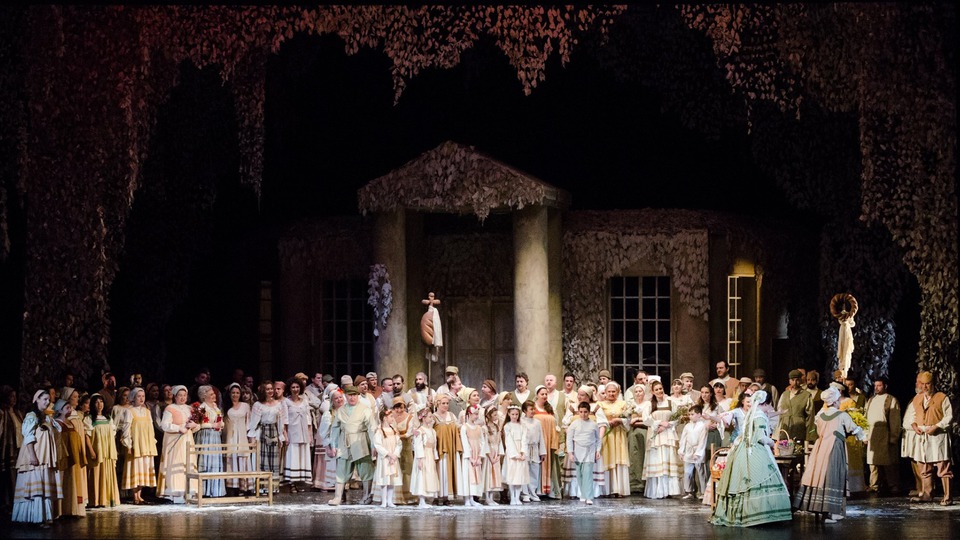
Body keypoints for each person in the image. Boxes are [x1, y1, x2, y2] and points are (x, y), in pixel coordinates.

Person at [711, 391, 793, 527]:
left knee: (743, 481)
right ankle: (761, 513)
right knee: (760, 477)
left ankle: (743, 512)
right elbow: (760, 437)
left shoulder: (750, 414)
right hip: (756, 450)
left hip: (743, 450)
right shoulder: (759, 415)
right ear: (766, 404)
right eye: (769, 405)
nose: (770, 408)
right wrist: (773, 443)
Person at [794, 387, 868, 523]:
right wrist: (863, 438)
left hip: (821, 448)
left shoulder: (820, 415)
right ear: (834, 402)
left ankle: (820, 508)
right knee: (834, 476)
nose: (840, 402)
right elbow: (854, 428)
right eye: (838, 400)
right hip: (834, 447)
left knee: (821, 475)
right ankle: (831, 513)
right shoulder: (841, 415)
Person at [12, 390, 62, 526]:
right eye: (44, 399)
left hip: (44, 457)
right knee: (36, 486)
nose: (47, 402)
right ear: (37, 400)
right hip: (36, 456)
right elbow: (28, 437)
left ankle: (43, 517)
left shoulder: (45, 417)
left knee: (43, 486)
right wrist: (32, 456)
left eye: (48, 399)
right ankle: (34, 517)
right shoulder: (31, 416)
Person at [907, 371, 953, 506]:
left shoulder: (942, 397)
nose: (925, 387)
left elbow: (949, 417)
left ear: (933, 384)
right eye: (923, 384)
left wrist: (937, 426)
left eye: (928, 384)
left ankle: (947, 496)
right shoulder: (917, 398)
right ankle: (927, 494)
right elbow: (912, 416)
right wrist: (914, 426)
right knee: (924, 466)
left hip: (938, 436)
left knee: (943, 467)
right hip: (923, 435)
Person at [327, 385, 377, 506]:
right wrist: (333, 445)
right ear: (346, 396)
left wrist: (373, 445)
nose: (352, 398)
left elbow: (372, 428)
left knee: (365, 469)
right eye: (349, 395)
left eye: (354, 395)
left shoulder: (365, 409)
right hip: (344, 441)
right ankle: (337, 497)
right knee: (341, 469)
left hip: (361, 441)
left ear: (358, 396)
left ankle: (367, 496)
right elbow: (335, 428)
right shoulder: (341, 410)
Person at [157, 385, 197, 504]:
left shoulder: (189, 408)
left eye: (184, 395)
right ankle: (176, 493)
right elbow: (164, 425)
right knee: (176, 464)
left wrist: (195, 425)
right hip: (175, 441)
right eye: (180, 395)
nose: (182, 398)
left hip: (187, 439)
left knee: (187, 463)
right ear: (175, 396)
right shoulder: (170, 408)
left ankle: (189, 491)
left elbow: (195, 426)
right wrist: (179, 428)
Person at [641, 380, 681, 499]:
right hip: (656, 435)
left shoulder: (671, 402)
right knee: (657, 459)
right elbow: (646, 419)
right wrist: (659, 423)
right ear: (653, 392)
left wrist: (667, 424)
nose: (659, 391)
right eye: (657, 389)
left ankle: (669, 490)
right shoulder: (649, 404)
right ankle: (658, 490)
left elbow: (677, 418)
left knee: (668, 459)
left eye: (660, 388)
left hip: (668, 435)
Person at [864, 377, 901, 495]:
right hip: (872, 433)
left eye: (879, 385)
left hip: (885, 433)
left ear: (885, 386)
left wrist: (893, 436)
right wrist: (865, 435)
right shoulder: (871, 400)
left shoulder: (891, 400)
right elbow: (865, 418)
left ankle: (893, 485)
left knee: (889, 462)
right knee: (873, 463)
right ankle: (873, 485)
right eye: (875, 386)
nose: (876, 388)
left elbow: (895, 420)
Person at [121, 388, 157, 505]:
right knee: (135, 467)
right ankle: (135, 496)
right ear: (133, 398)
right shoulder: (129, 411)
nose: (141, 398)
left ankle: (140, 495)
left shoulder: (147, 411)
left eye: (143, 396)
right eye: (139, 396)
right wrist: (128, 445)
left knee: (143, 468)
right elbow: (126, 429)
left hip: (146, 443)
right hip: (136, 444)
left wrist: (152, 442)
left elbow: (151, 428)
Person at [248, 381, 286, 492]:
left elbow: (280, 421)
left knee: (273, 460)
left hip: (273, 431)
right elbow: (253, 422)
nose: (270, 391)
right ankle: (262, 487)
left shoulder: (278, 404)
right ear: (263, 391)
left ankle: (272, 487)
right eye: (267, 389)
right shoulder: (258, 405)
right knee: (262, 460)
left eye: (271, 389)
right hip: (262, 432)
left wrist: (281, 436)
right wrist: (252, 437)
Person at [85, 394, 120, 508]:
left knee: (108, 474)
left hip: (107, 452)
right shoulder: (89, 419)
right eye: (96, 402)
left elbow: (112, 434)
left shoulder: (108, 418)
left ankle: (108, 499)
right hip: (97, 452)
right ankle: (96, 500)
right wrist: (91, 451)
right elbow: (86, 436)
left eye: (101, 402)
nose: (99, 404)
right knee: (97, 475)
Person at [597, 382, 630, 497]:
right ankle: (607, 490)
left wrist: (620, 420)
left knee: (618, 458)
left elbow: (629, 419)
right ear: (605, 392)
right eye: (609, 391)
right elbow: (598, 419)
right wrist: (608, 422)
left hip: (619, 433)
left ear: (618, 392)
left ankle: (619, 489)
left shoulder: (623, 404)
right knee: (607, 457)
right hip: (607, 434)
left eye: (613, 391)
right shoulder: (600, 404)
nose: (611, 394)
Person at [59, 388, 87, 517]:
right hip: (68, 452)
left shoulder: (76, 415)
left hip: (77, 450)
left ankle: (76, 507)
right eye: (74, 397)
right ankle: (67, 507)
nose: (77, 399)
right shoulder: (64, 417)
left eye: (77, 397)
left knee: (77, 478)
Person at [566, 401, 601, 505]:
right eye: (581, 412)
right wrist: (570, 453)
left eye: (585, 412)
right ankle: (583, 494)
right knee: (580, 473)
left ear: (589, 412)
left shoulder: (594, 424)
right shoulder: (574, 424)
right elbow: (569, 439)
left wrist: (598, 451)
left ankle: (589, 496)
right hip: (578, 450)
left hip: (590, 450)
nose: (583, 414)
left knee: (587, 473)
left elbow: (598, 439)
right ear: (578, 412)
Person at [194, 385, 225, 498]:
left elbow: (219, 420)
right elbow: (199, 424)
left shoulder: (216, 407)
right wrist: (213, 425)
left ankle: (215, 490)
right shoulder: (202, 407)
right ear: (204, 396)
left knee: (214, 462)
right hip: (206, 436)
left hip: (215, 437)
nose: (214, 395)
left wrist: (220, 424)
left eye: (214, 394)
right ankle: (204, 490)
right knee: (206, 460)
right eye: (211, 394)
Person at [282, 378, 313, 492]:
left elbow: (308, 419)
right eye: (293, 387)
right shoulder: (286, 402)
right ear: (290, 389)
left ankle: (301, 482)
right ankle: (292, 483)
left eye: (297, 387)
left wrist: (310, 435)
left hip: (303, 432)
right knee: (293, 457)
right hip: (292, 433)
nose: (295, 389)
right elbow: (284, 421)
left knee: (303, 457)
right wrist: (285, 436)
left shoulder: (304, 401)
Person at [532, 385, 562, 499]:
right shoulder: (532, 408)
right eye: (542, 394)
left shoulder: (550, 409)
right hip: (537, 440)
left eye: (546, 394)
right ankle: (536, 490)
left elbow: (556, 423)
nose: (544, 396)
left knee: (550, 464)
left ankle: (549, 490)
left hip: (549, 440)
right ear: (537, 395)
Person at [432, 393, 462, 506]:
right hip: (440, 448)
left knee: (448, 471)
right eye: (443, 403)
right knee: (439, 471)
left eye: (447, 403)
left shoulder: (452, 416)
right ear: (437, 404)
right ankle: (436, 497)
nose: (445, 405)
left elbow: (458, 427)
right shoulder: (434, 417)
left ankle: (446, 497)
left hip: (451, 448)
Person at [224, 383, 252, 496]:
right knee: (231, 460)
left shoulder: (245, 406)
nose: (235, 395)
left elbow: (248, 423)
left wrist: (250, 438)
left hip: (242, 435)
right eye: (233, 393)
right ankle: (232, 487)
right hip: (230, 436)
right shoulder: (226, 407)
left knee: (243, 458)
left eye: (237, 393)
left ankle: (245, 487)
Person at [0, 386, 24, 512]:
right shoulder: (3, 413)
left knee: (19, 475)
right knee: (10, 476)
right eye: (11, 396)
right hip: (10, 448)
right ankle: (9, 502)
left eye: (15, 396)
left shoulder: (18, 413)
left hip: (19, 448)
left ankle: (19, 500)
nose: (14, 399)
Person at [678, 404, 709, 500]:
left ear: (699, 414)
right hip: (688, 450)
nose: (690, 416)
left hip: (698, 451)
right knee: (687, 472)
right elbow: (683, 439)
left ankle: (703, 492)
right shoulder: (687, 426)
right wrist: (681, 451)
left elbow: (702, 440)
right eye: (689, 414)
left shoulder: (703, 426)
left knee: (701, 472)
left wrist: (698, 453)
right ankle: (689, 491)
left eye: (692, 414)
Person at [410, 409, 440, 508]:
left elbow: (434, 445)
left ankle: (426, 499)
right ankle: (421, 500)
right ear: (423, 418)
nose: (431, 418)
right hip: (423, 456)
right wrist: (420, 459)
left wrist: (435, 456)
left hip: (430, 455)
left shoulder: (432, 431)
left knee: (429, 475)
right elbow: (418, 446)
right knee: (422, 476)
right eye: (429, 417)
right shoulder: (420, 431)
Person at [458, 405, 487, 506]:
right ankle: (467, 498)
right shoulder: (464, 427)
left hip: (476, 455)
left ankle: (472, 498)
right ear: (469, 414)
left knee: (476, 475)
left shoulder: (479, 428)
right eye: (474, 414)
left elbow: (482, 442)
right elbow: (465, 442)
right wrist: (470, 457)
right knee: (468, 476)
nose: (476, 416)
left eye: (477, 414)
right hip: (469, 456)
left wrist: (479, 456)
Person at [373, 408, 401, 508]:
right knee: (384, 480)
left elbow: (399, 444)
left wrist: (395, 455)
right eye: (391, 416)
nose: (393, 418)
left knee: (391, 480)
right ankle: (384, 501)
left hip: (393, 459)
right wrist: (388, 454)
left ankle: (390, 501)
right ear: (385, 418)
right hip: (385, 459)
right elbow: (378, 445)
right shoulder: (379, 431)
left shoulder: (394, 430)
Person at [390, 397, 416, 504]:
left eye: (401, 407)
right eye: (396, 408)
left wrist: (398, 436)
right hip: (394, 446)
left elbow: (409, 432)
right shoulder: (391, 417)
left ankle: (408, 496)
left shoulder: (409, 417)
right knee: (395, 469)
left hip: (406, 446)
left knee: (407, 469)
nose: (399, 410)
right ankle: (395, 497)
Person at [777, 369, 814, 443]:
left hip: (799, 428)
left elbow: (810, 417)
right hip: (785, 429)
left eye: (797, 380)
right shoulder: (784, 394)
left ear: (801, 380)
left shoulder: (806, 395)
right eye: (793, 380)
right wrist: (777, 434)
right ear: (789, 381)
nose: (795, 382)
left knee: (798, 448)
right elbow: (779, 414)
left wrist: (809, 436)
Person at [520, 400, 546, 502]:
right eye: (531, 409)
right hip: (525, 448)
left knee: (534, 471)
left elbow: (541, 437)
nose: (533, 411)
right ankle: (525, 493)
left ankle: (533, 492)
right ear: (525, 411)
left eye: (534, 409)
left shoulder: (537, 422)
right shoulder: (521, 422)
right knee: (524, 472)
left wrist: (542, 452)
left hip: (534, 449)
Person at [502, 405, 528, 505]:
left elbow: (524, 439)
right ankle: (512, 497)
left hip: (520, 451)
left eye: (516, 414)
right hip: (512, 453)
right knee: (512, 476)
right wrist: (515, 454)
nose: (514, 416)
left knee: (519, 476)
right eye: (512, 414)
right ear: (509, 414)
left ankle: (517, 497)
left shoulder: (522, 426)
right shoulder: (507, 426)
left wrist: (523, 452)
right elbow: (509, 441)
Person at [627, 381, 648, 494]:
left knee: (643, 456)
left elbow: (649, 418)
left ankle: (644, 483)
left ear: (644, 393)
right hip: (632, 432)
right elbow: (627, 418)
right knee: (633, 457)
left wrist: (638, 420)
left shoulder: (648, 404)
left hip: (644, 431)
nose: (638, 393)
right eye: (636, 391)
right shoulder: (631, 405)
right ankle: (634, 483)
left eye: (640, 391)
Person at [483, 407, 504, 506]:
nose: (496, 417)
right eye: (494, 415)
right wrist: (490, 456)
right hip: (489, 454)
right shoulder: (484, 428)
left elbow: (500, 442)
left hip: (496, 452)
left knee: (495, 475)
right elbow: (484, 443)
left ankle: (491, 497)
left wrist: (499, 454)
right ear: (489, 416)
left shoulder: (497, 427)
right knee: (488, 475)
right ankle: (487, 498)